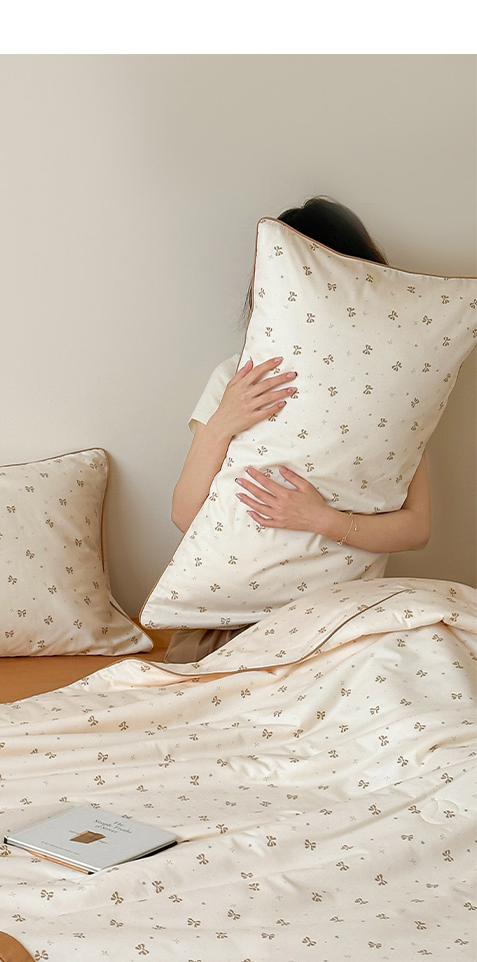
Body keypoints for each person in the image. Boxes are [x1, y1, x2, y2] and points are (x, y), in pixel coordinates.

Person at [166, 197, 431, 663]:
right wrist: (223, 422)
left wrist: (319, 520)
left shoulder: (394, 390)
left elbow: (417, 527)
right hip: (234, 619)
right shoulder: (236, 379)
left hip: (341, 622)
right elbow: (186, 514)